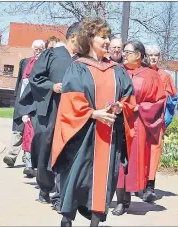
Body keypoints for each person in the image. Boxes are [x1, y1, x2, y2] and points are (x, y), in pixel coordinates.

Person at [50, 18, 136, 227]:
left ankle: (95, 222)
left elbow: (129, 99)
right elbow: (70, 102)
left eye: (108, 36)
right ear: (89, 39)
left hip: (109, 135)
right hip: (82, 135)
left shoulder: (117, 70)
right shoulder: (78, 67)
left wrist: (120, 107)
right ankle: (67, 220)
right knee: (76, 177)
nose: (107, 41)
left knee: (104, 181)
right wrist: (93, 113)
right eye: (102, 37)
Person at [17, 22, 80, 206]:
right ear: (74, 36)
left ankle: (62, 194)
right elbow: (36, 77)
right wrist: (51, 86)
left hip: (73, 113)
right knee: (45, 148)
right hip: (51, 109)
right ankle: (45, 188)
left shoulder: (83, 60)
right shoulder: (51, 54)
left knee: (67, 149)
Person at [112, 40, 166, 216]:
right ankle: (120, 200)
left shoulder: (151, 75)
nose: (124, 54)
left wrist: (140, 107)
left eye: (128, 52)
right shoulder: (118, 71)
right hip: (118, 122)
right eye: (124, 51)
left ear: (139, 55)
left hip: (138, 124)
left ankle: (129, 197)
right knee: (119, 161)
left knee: (132, 162)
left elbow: (160, 101)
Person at [4, 39, 45, 178]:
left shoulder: (44, 63)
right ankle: (12, 156)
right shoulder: (25, 62)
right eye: (36, 48)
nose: (38, 50)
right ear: (32, 49)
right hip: (21, 99)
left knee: (30, 130)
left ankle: (27, 159)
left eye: (40, 48)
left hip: (34, 102)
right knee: (17, 128)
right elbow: (19, 81)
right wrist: (16, 97)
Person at [144, 44, 178, 201]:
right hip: (140, 121)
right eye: (150, 55)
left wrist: (165, 121)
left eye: (156, 55)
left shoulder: (165, 76)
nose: (153, 57)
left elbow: (172, 100)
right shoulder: (140, 73)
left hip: (157, 122)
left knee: (153, 153)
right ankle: (136, 184)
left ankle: (150, 186)